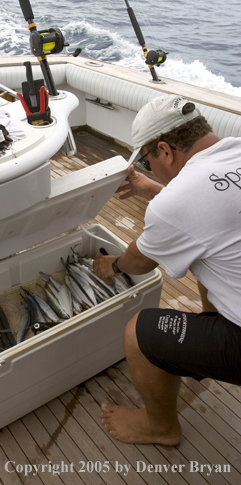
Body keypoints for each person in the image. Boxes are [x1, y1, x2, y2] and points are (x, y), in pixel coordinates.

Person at [93, 93, 241, 446]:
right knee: (204, 260)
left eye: (146, 160)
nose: (147, 168)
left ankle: (161, 427)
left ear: (165, 150)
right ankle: (207, 342)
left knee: (139, 333)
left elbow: (140, 261)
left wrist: (111, 264)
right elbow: (211, 209)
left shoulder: (175, 204)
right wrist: (160, 189)